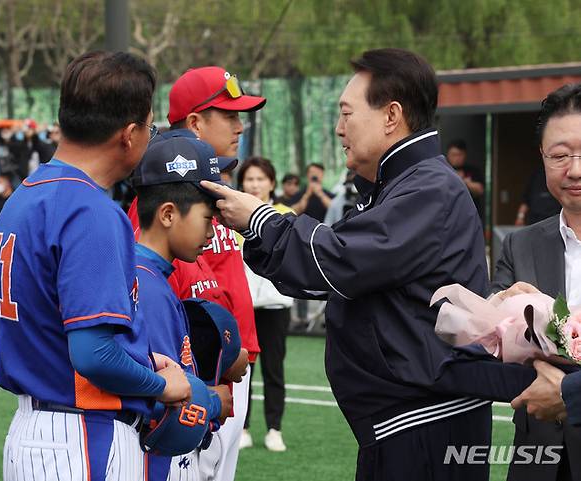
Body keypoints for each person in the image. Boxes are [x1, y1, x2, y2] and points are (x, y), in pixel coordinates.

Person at [202, 48, 538, 481]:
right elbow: (335, 266)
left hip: (423, 426)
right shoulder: (403, 184)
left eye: (346, 113)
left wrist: (258, 218)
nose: (339, 128)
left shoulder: (428, 189)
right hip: (408, 423)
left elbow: (341, 259)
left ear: (391, 116)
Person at [0, 51, 192, 481]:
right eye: (149, 128)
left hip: (35, 430)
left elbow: (62, 329)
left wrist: (144, 358)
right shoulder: (90, 209)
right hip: (80, 436)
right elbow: (92, 354)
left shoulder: (26, 194)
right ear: (129, 134)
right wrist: (163, 385)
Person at [127, 65, 265, 481]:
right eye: (229, 114)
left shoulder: (215, 191)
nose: (240, 126)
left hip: (228, 371)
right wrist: (218, 360)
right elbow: (162, 307)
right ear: (195, 122)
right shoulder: (165, 195)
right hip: (199, 378)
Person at [130, 135, 236, 481]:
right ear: (168, 214)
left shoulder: (150, 275)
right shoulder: (149, 287)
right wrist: (215, 401)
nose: (213, 228)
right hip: (150, 459)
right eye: (207, 216)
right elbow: (164, 404)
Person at [496, 83, 581, 481]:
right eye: (560, 156)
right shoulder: (521, 243)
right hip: (537, 455)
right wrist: (500, 310)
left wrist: (568, 393)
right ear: (543, 159)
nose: (575, 169)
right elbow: (487, 343)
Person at [236, 157, 294, 452]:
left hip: (275, 308)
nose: (255, 185)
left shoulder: (286, 215)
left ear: (272, 182)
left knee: (274, 369)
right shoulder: (230, 215)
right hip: (242, 308)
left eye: (260, 179)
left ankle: (274, 429)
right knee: (242, 370)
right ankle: (242, 428)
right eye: (249, 179)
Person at [446, 139, 485, 221]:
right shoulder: (443, 170)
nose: (456, 158)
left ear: (465, 155)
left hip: (470, 215)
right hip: (449, 215)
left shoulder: (473, 171)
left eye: (459, 155)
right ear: (448, 155)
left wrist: (464, 182)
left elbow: (480, 190)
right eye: (454, 155)